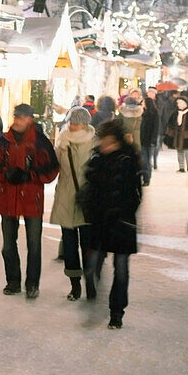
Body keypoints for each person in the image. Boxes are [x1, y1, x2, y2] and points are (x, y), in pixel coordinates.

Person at [0, 103, 59, 299]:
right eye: (15, 116)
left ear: (30, 119)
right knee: (8, 245)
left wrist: (30, 175)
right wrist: (5, 173)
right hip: (8, 198)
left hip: (31, 200)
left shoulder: (41, 143)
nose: (16, 120)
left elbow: (52, 169)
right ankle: (13, 281)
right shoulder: (3, 141)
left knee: (34, 245)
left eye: (21, 117)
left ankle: (32, 284)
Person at [77, 119, 142, 329]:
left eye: (109, 142)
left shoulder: (128, 158)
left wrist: (123, 210)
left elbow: (136, 193)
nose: (105, 146)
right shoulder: (97, 158)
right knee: (92, 263)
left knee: (121, 269)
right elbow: (89, 185)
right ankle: (94, 291)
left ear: (118, 141)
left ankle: (117, 311)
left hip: (122, 221)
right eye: (103, 142)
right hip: (99, 220)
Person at [50, 106, 96, 300]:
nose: (72, 125)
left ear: (85, 124)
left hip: (86, 200)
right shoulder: (62, 141)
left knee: (88, 244)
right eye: (70, 121)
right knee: (69, 246)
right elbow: (55, 167)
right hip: (66, 197)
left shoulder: (95, 142)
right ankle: (75, 285)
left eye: (76, 122)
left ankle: (91, 284)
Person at [164, 94, 188, 172]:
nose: (178, 105)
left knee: (187, 152)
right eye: (177, 103)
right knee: (179, 151)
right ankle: (181, 167)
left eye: (180, 103)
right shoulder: (175, 114)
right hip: (178, 137)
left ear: (185, 104)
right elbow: (170, 124)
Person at [141, 88, 162, 183]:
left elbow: (156, 128)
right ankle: (145, 177)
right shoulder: (142, 113)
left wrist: (153, 140)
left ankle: (147, 178)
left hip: (149, 140)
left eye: (143, 102)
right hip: (142, 139)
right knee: (144, 159)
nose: (142, 104)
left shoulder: (154, 114)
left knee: (146, 160)